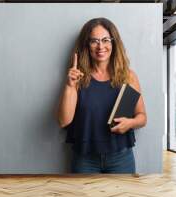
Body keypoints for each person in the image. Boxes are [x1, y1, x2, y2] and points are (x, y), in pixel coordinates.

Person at [57, 17, 147, 174]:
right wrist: (69, 86)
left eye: (105, 40)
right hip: (85, 159)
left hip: (121, 158)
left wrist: (130, 123)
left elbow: (142, 117)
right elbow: (64, 121)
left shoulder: (128, 76)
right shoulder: (78, 77)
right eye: (94, 41)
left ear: (113, 43)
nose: (100, 46)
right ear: (87, 45)